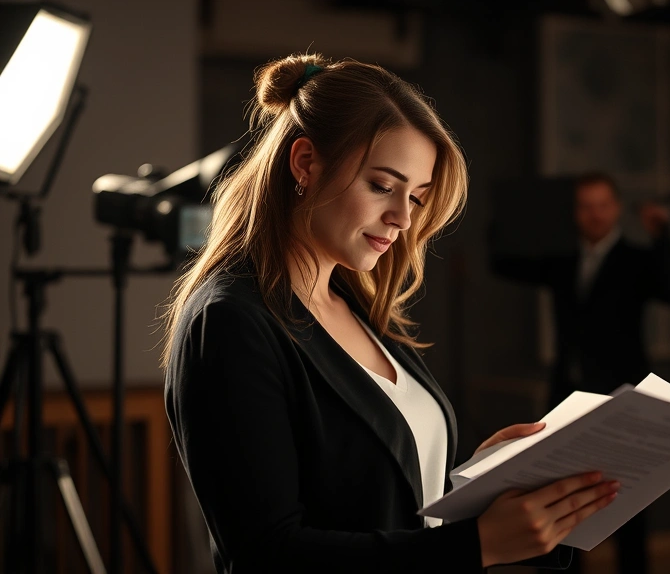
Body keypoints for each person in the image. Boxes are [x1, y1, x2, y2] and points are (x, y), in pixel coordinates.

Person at [161, 54, 621, 573]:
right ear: (305, 163)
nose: (403, 218)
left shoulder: (357, 306)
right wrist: (477, 545)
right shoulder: (230, 322)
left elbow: (378, 499)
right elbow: (267, 556)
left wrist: (478, 482)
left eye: (416, 197)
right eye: (382, 186)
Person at [491, 172, 670, 574]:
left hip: (622, 396)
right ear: (574, 212)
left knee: (629, 501)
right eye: (585, 206)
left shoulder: (636, 259)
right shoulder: (563, 261)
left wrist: (662, 235)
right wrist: (510, 210)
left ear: (616, 208)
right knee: (563, 497)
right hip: (568, 394)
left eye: (602, 205)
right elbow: (504, 263)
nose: (594, 214)